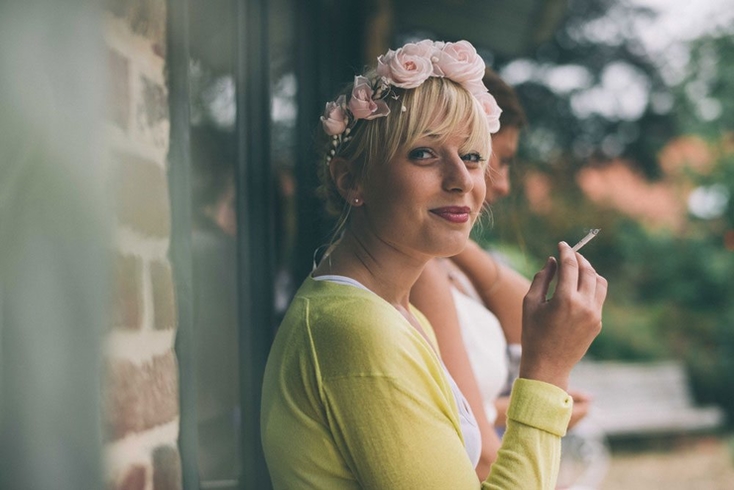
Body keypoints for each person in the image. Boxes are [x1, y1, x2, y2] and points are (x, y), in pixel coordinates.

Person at [260, 39, 607, 489]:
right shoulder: (358, 330)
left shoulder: (398, 312)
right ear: (350, 180)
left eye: (473, 157)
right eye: (423, 153)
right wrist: (547, 373)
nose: (462, 180)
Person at [410, 70, 592, 480]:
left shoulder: (447, 262)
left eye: (475, 159)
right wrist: (545, 392)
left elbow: (523, 321)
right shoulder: (420, 274)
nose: (504, 185)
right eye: (498, 160)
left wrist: (456, 236)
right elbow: (476, 452)